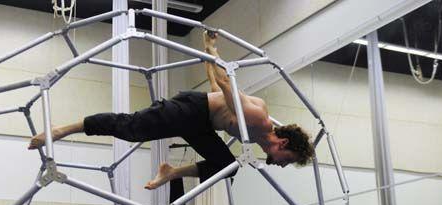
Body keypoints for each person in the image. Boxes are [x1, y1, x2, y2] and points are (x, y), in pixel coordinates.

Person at [28, 31, 314, 190]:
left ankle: (171, 172)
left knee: (227, 168)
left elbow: (218, 87)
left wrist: (208, 63)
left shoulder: (254, 137)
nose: (281, 164)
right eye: (287, 159)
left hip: (201, 125)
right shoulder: (258, 121)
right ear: (284, 142)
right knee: (130, 128)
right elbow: (226, 82)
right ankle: (62, 130)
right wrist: (212, 50)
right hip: (190, 110)